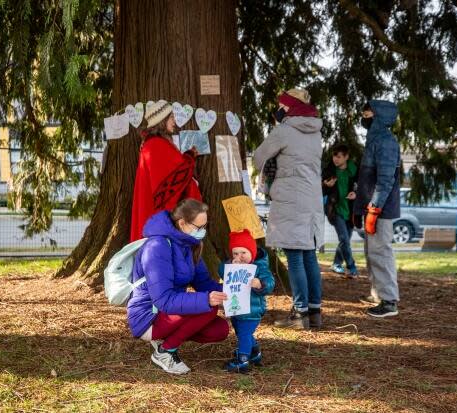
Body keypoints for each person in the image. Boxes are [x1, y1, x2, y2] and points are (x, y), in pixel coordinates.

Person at [127, 199, 229, 374]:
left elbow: (204, 283)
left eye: (205, 227)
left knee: (219, 330)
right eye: (199, 228)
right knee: (207, 308)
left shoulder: (188, 245)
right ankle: (165, 351)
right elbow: (164, 300)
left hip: (167, 312)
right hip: (147, 317)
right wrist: (207, 299)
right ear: (182, 223)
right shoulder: (157, 247)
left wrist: (235, 290)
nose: (202, 232)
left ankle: (165, 340)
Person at [253, 88, 324, 330]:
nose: (278, 110)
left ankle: (299, 314)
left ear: (288, 108)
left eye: (281, 106)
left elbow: (259, 157)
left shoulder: (284, 130)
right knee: (308, 255)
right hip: (312, 199)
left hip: (291, 199)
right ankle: (314, 312)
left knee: (294, 257)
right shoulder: (315, 132)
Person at [353, 100, 401, 318]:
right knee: (372, 252)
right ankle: (378, 293)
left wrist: (375, 208)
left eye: (368, 112)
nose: (364, 115)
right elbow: (367, 179)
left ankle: (389, 301)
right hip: (371, 207)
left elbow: (385, 180)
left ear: (379, 115)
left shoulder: (386, 142)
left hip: (381, 209)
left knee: (381, 252)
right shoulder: (375, 139)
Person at [130, 100, 201, 241]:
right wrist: (190, 157)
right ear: (162, 120)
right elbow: (177, 173)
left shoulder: (153, 143)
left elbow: (173, 168)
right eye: (171, 118)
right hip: (158, 214)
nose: (174, 121)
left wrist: (186, 157)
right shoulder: (157, 145)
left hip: (151, 211)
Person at [218, 229, 275, 373]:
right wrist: (230, 264)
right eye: (235, 253)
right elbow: (221, 271)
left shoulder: (259, 267)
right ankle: (255, 352)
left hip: (252, 309)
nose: (240, 257)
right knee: (242, 332)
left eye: (243, 253)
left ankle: (242, 360)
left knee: (244, 334)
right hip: (237, 308)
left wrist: (260, 284)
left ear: (252, 253)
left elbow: (270, 282)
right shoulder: (233, 266)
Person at [322, 144, 358, 278]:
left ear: (346, 157)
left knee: (345, 241)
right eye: (334, 156)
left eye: (339, 156)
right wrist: (326, 186)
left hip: (351, 211)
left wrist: (355, 193)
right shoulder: (329, 171)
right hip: (335, 210)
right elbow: (321, 189)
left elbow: (360, 186)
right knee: (344, 238)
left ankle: (336, 263)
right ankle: (351, 266)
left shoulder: (354, 171)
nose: (335, 159)